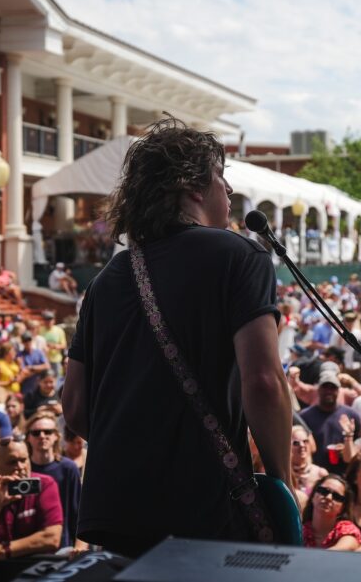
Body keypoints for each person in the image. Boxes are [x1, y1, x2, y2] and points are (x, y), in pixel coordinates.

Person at [62, 119, 292, 555]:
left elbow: (74, 407)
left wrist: (140, 445)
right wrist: (282, 484)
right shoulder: (240, 257)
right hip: (204, 510)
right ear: (193, 186)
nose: (228, 191)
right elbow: (264, 382)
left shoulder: (106, 280)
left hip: (116, 514)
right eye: (221, 177)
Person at [0, 437, 63, 564]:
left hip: (35, 573)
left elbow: (51, 537)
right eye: (12, 462)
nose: (20, 467)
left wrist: (4, 550)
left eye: (23, 460)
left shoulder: (44, 485)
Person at [26, 411, 86, 551]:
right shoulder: (23, 468)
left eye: (47, 432)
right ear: (28, 437)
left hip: (63, 547)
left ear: (56, 436)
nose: (42, 436)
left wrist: (79, 546)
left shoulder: (68, 469)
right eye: (36, 433)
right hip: (28, 546)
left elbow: (78, 511)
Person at [301, 473, 361, 550]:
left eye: (336, 496)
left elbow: (347, 546)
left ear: (342, 508)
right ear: (313, 496)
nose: (328, 498)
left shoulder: (347, 529)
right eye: (324, 491)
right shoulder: (300, 531)